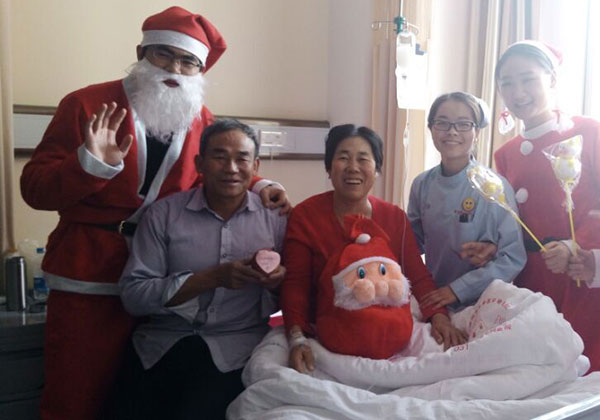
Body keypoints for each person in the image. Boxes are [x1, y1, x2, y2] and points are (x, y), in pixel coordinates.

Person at [19, 7, 288, 419]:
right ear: (141, 53)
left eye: (188, 61)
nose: (174, 69)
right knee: (74, 395)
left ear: (200, 70)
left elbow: (218, 171)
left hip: (164, 290)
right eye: (164, 54)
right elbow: (35, 189)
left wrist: (262, 185)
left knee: (129, 400)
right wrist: (90, 165)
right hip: (90, 274)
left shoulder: (199, 118)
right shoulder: (87, 104)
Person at [117, 119, 286, 419]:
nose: (231, 168)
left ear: (255, 165)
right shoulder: (163, 215)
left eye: (242, 159)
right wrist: (211, 278)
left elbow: (297, 293)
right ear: (199, 164)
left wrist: (276, 283)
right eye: (219, 157)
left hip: (238, 348)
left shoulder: (276, 220)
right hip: (162, 343)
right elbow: (134, 296)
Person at [281, 124, 467, 373]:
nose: (353, 167)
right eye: (343, 158)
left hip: (389, 331)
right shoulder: (305, 216)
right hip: (327, 331)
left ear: (377, 169)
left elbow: (417, 275)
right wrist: (297, 337)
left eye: (363, 159)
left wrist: (439, 316)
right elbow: (296, 284)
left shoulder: (395, 218)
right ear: (328, 167)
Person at [494, 40, 600, 371]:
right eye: (507, 83)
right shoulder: (505, 154)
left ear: (552, 79)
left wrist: (575, 246)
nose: (518, 92)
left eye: (528, 79)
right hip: (531, 283)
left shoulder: (588, 132)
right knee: (538, 372)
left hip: (579, 273)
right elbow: (508, 221)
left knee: (583, 369)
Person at [407, 92, 527, 310]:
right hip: (434, 299)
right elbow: (411, 245)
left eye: (463, 124)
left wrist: (457, 290)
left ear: (476, 132)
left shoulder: (494, 187)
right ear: (431, 129)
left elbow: (512, 257)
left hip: (483, 303)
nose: (452, 131)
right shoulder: (421, 184)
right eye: (442, 123)